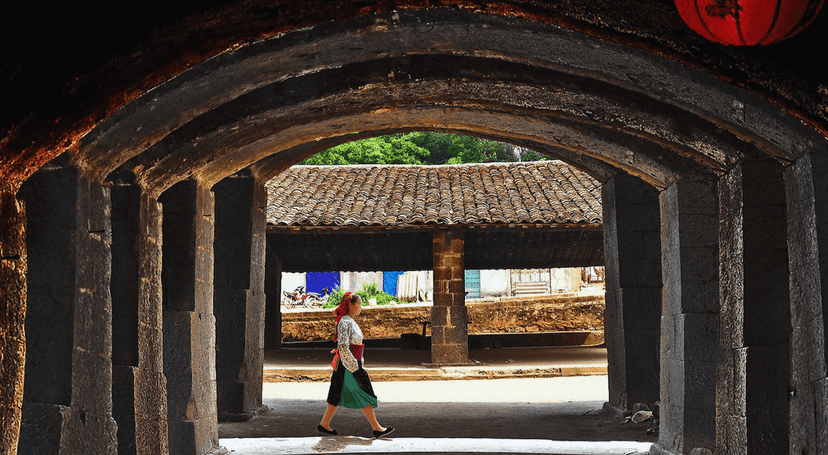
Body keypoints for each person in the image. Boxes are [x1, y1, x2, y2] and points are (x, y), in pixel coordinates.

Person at [317, 292, 395, 439]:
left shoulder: (348, 321)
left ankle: (324, 424)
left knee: (337, 393)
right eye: (358, 303)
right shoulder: (345, 322)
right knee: (363, 392)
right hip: (348, 365)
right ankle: (376, 428)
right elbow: (343, 346)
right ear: (350, 305)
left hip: (348, 363)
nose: (360, 306)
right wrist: (354, 367)